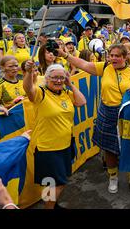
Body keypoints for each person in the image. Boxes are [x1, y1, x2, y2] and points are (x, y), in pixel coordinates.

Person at [58, 44, 130, 195]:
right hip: (108, 112)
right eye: (111, 55)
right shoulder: (104, 67)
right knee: (109, 149)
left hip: (128, 113)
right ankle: (113, 177)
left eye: (117, 56)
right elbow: (83, 64)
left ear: (125, 57)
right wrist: (65, 55)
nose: (113, 58)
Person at [23, 62, 86, 209]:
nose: (59, 81)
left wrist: (70, 84)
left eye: (61, 78)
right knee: (55, 182)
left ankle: (51, 203)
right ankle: (49, 207)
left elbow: (82, 102)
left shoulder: (65, 92)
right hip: (48, 148)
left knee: (55, 182)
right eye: (55, 78)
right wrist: (28, 73)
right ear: (47, 78)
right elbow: (28, 89)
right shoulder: (41, 93)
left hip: (66, 144)